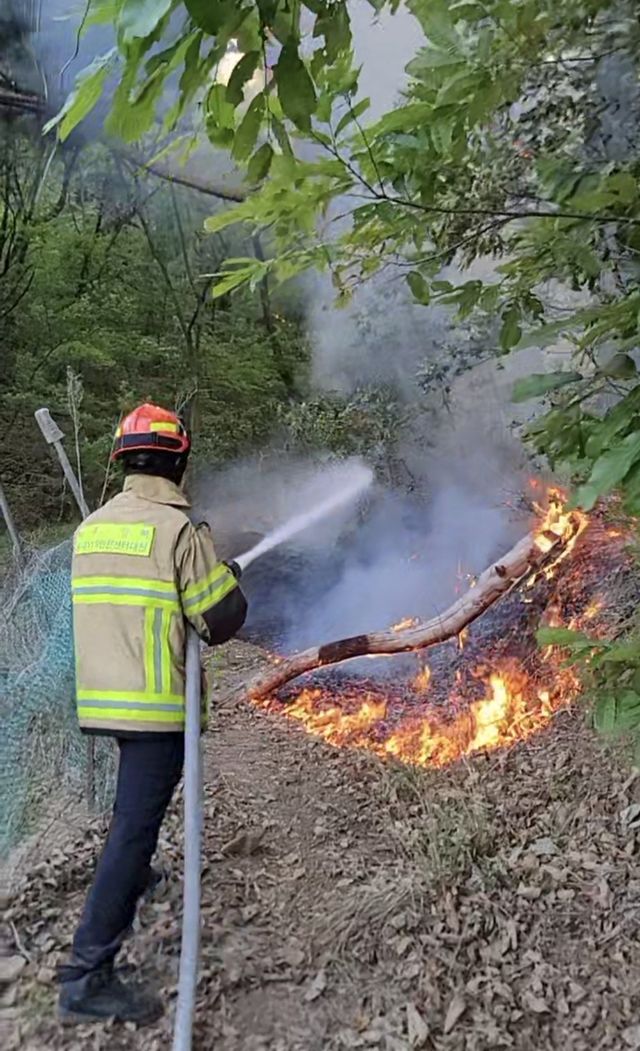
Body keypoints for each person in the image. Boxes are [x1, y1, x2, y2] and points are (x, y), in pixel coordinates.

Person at [57, 403, 247, 1026]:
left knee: (130, 821)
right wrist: (225, 577)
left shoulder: (94, 528)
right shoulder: (177, 532)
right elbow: (220, 621)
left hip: (104, 703)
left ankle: (134, 875)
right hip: (155, 709)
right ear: (177, 461)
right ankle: (86, 975)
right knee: (132, 830)